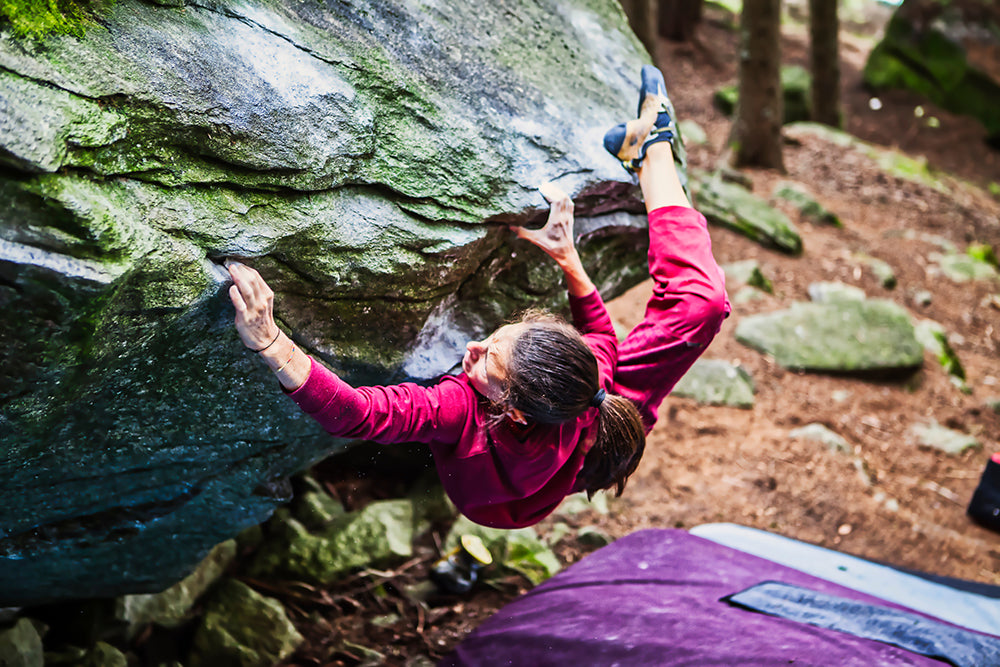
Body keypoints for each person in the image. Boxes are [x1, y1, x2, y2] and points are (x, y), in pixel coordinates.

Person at [227, 65, 730, 529]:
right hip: (584, 430)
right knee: (700, 304)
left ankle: (651, 145)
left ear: (510, 410)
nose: (472, 350)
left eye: (488, 363)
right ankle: (651, 148)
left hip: (522, 485)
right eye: (494, 340)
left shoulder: (462, 412)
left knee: (692, 313)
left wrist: (269, 341)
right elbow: (600, 336)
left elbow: (359, 413)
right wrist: (568, 259)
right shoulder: (587, 383)